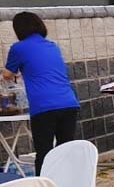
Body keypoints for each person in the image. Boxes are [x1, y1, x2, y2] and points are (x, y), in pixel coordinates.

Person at [2, 11, 80, 175]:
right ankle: (67, 183)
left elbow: (7, 74)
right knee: (65, 151)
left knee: (44, 152)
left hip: (44, 106)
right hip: (68, 102)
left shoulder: (18, 48)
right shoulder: (52, 45)